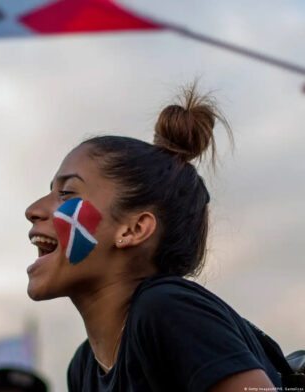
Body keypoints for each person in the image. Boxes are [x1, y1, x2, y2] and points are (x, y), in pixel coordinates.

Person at [23, 84, 283, 391]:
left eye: (66, 193)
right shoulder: (83, 368)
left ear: (133, 230)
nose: (33, 210)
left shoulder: (167, 310)